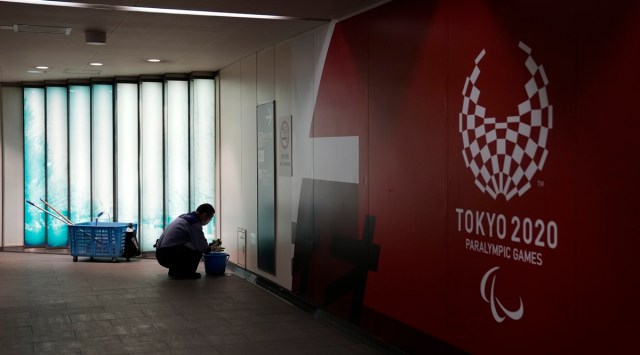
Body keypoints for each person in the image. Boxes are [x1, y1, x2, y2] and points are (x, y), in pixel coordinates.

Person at [155, 203, 216, 279]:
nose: (209, 220)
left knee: (189, 245)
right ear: (204, 215)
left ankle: (175, 271)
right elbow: (202, 247)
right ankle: (187, 273)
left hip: (161, 253)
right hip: (167, 255)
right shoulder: (194, 222)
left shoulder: (184, 217)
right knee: (197, 250)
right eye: (210, 218)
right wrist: (211, 248)